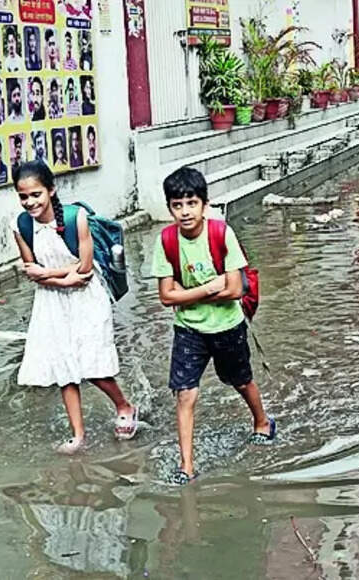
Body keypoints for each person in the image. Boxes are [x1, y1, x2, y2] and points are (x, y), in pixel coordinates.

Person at [149, 167, 274, 485]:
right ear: (170, 208)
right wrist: (209, 287)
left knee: (241, 381)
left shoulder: (221, 233)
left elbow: (235, 289)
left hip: (228, 326)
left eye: (192, 203)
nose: (185, 211)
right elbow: (165, 296)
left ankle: (262, 421)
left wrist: (186, 294)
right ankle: (187, 467)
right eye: (177, 205)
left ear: (204, 204)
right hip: (188, 330)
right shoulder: (167, 241)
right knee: (185, 394)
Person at [10, 161, 139, 454]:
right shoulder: (21, 225)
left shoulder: (75, 218)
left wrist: (50, 274)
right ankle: (78, 434)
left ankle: (124, 406)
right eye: (23, 196)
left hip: (87, 300)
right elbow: (32, 270)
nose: (30, 202)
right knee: (63, 367)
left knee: (91, 364)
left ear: (51, 190)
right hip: (51, 301)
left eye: (36, 194)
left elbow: (85, 269)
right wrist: (63, 279)